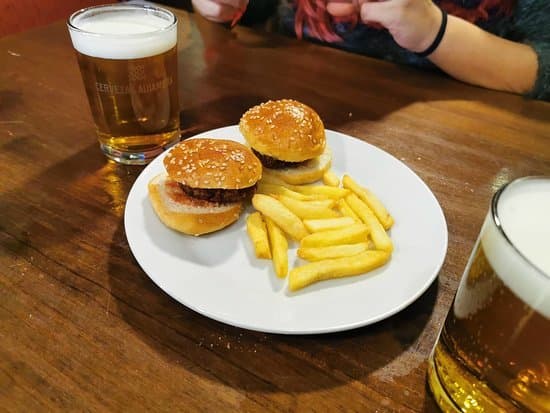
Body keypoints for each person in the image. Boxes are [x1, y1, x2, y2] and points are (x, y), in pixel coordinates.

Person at [190, 0, 550, 100]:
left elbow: (542, 67)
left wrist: (433, 31)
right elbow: (262, 12)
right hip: (307, 112)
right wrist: (225, 7)